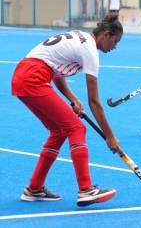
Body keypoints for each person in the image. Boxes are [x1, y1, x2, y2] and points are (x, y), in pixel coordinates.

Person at [11, 13, 123, 207]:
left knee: (59, 131)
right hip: (34, 77)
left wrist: (73, 99)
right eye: (115, 41)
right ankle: (86, 189)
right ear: (106, 35)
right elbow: (94, 102)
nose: (115, 46)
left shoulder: (81, 36)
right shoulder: (90, 51)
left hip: (23, 75)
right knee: (77, 129)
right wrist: (110, 136)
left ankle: (34, 187)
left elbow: (55, 70)